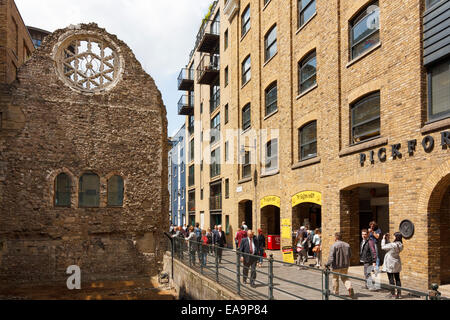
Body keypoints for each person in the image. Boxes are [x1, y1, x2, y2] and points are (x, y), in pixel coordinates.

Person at [325, 233, 356, 299]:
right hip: (345, 265)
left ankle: (336, 292)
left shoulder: (334, 245)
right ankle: (349, 287)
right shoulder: (347, 245)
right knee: (345, 278)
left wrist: (327, 264)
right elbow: (350, 255)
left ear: (336, 238)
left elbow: (331, 257)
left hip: (336, 265)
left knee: (335, 278)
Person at [382, 232, 403, 299]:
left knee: (391, 278)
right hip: (397, 262)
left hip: (390, 262)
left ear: (396, 237)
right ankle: (399, 294)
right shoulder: (401, 244)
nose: (393, 237)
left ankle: (393, 294)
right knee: (397, 278)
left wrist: (383, 239)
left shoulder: (393, 244)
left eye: (394, 236)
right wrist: (387, 240)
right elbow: (391, 246)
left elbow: (383, 247)